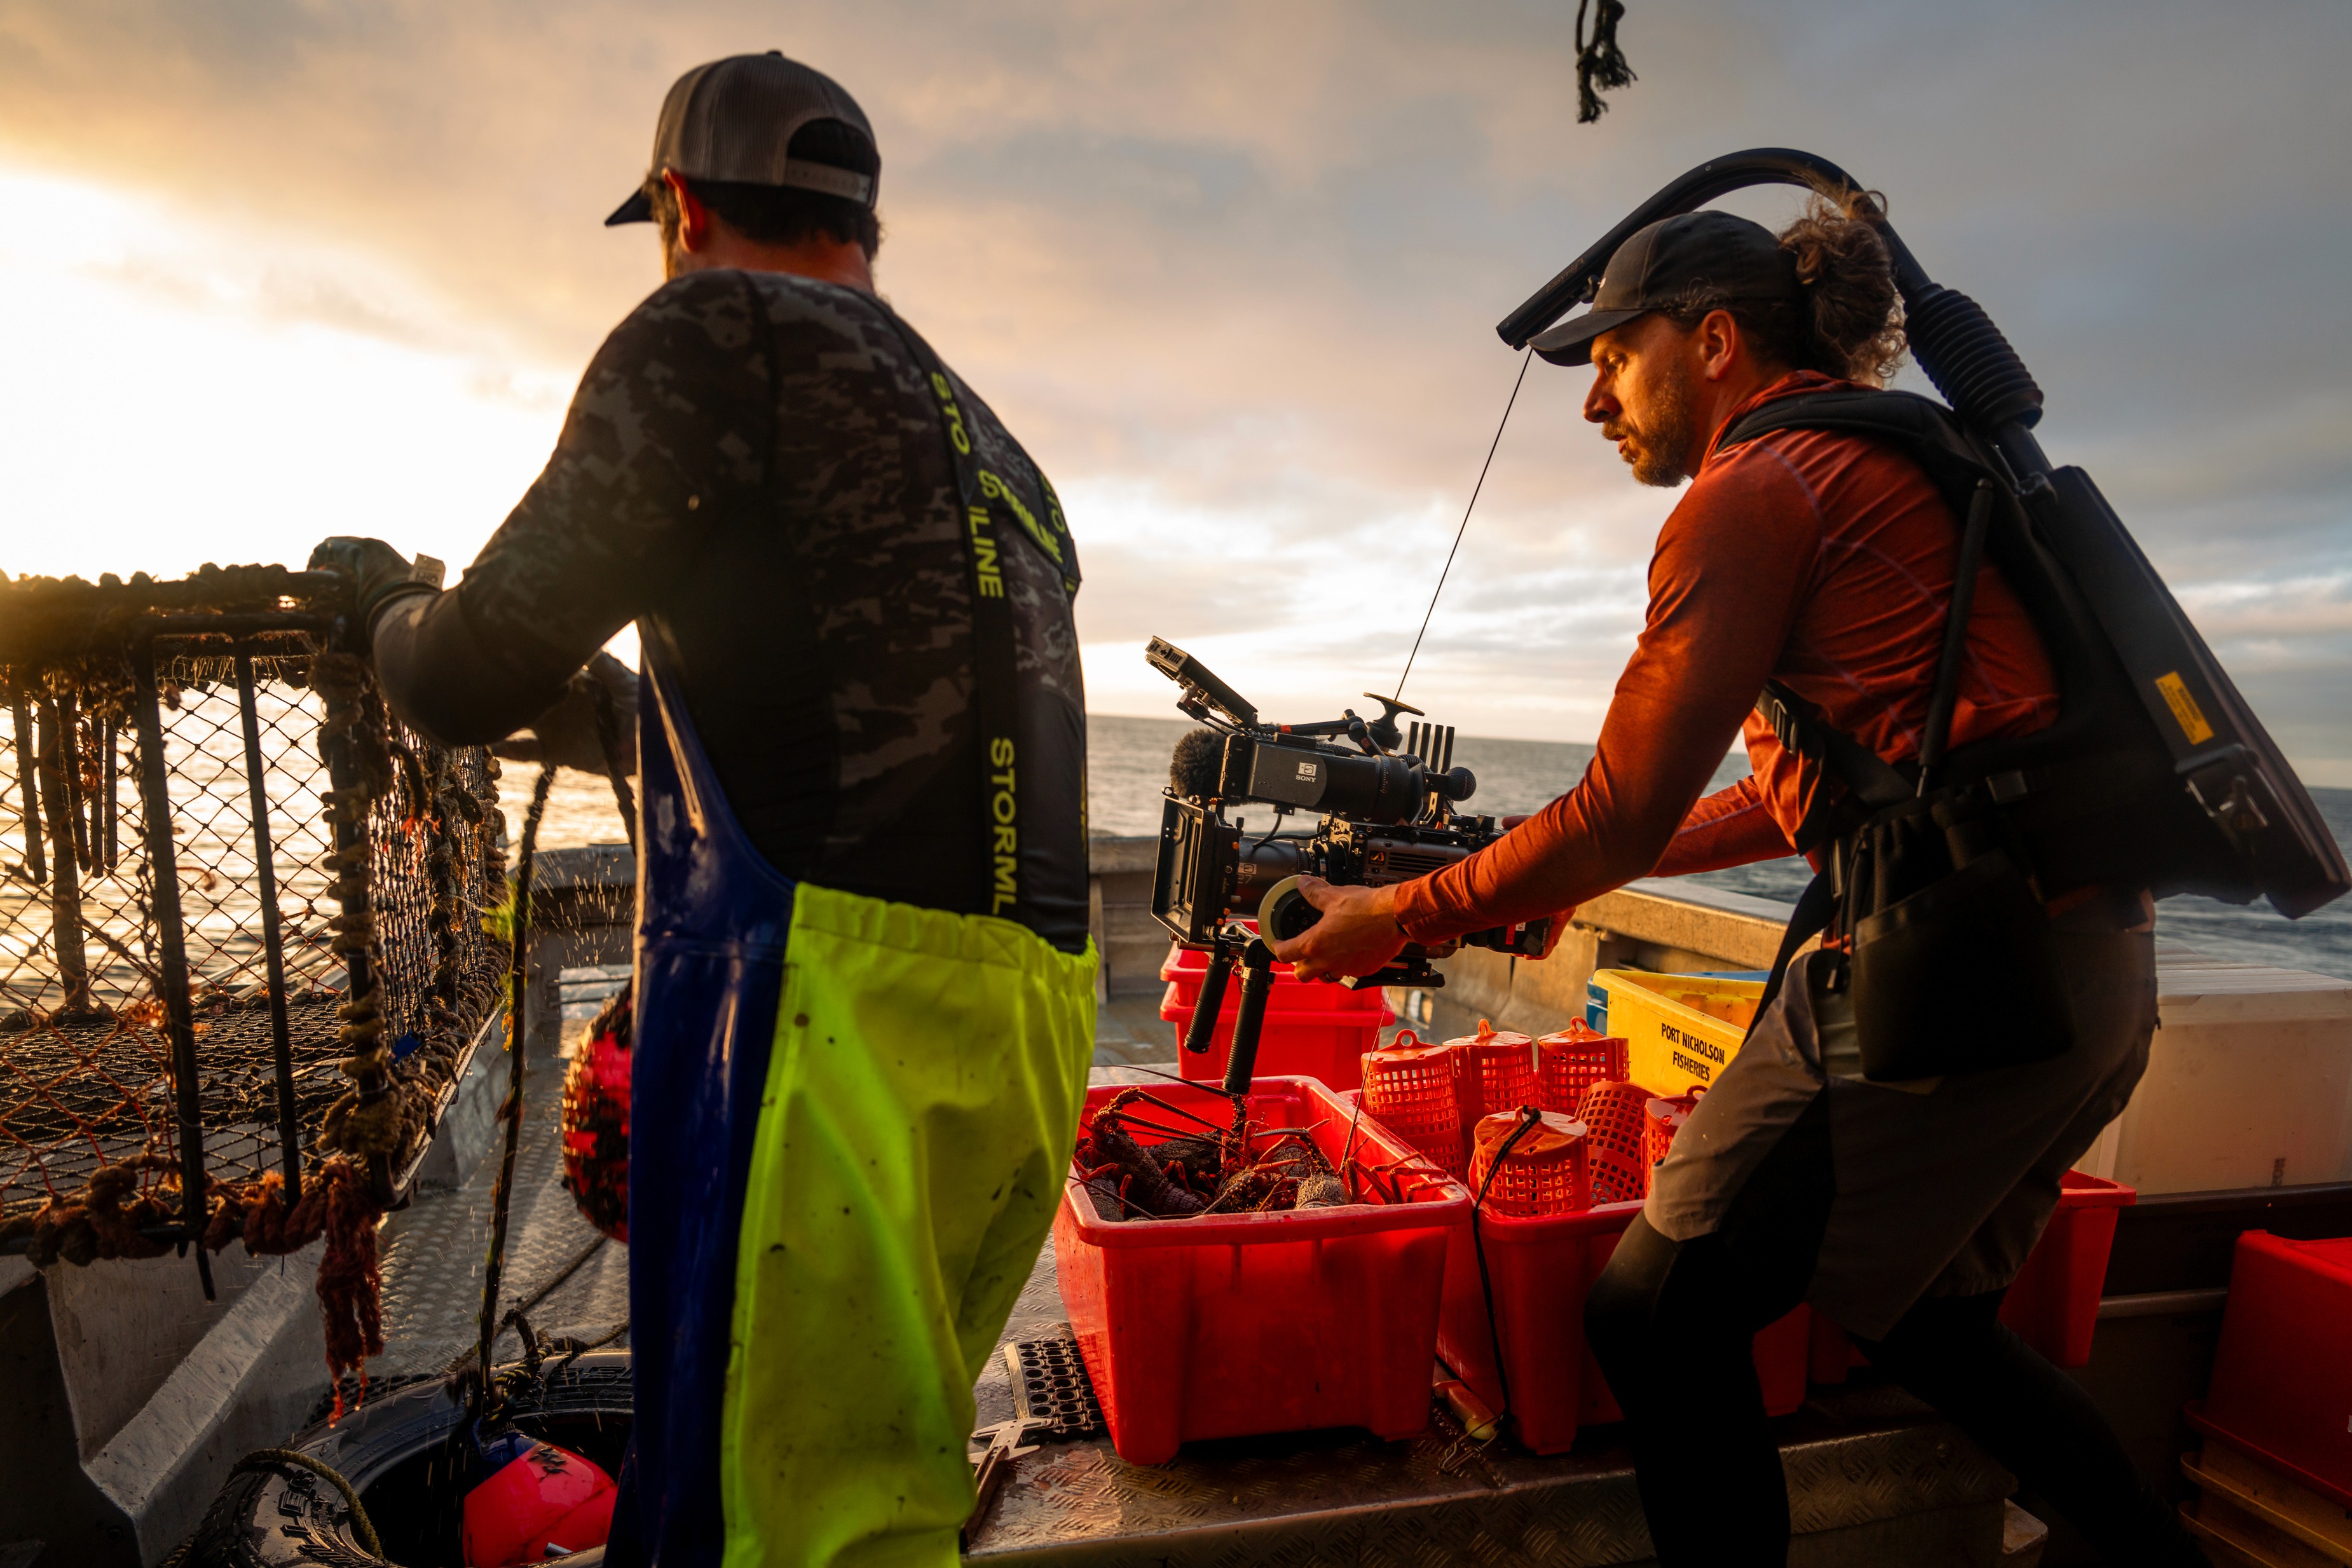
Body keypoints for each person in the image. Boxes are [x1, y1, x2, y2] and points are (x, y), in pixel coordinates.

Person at [1269, 198, 2210, 1565]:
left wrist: (1401, 914)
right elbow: (1789, 798)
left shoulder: (1751, 491)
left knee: (1648, 1314)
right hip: (2082, 966)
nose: (1593, 400)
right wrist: (1555, 863)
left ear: (1711, 342)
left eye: (1612, 357)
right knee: (1925, 1320)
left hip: (1951, 980)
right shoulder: (1877, 465)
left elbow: (1618, 813)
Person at [311, 51, 1097, 1568]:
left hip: (832, 1022)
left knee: (765, 1533)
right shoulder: (995, 447)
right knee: (876, 1487)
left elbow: (465, 676)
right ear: (859, 224)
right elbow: (814, 717)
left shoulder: (713, 333)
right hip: (1023, 1028)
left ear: (679, 203)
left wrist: (385, 602)